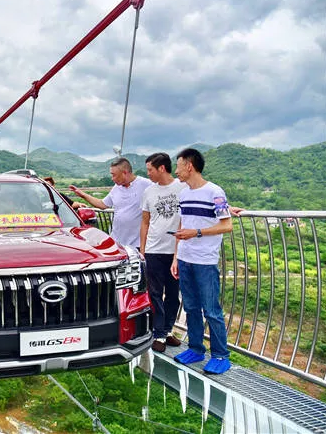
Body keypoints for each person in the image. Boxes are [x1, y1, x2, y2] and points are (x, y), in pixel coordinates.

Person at [171, 148, 233, 374]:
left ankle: (220, 355)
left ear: (189, 166)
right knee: (190, 307)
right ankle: (196, 349)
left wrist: (196, 233)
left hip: (205, 261)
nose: (176, 171)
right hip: (185, 259)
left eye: (178, 166)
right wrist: (176, 257)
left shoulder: (214, 192)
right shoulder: (184, 194)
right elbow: (182, 226)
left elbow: (227, 225)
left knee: (211, 309)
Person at [140, 153, 186, 352]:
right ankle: (158, 333)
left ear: (161, 168)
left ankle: (167, 330)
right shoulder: (149, 192)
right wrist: (143, 250)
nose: (148, 173)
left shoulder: (183, 188)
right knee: (155, 293)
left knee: (174, 294)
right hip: (154, 250)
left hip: (176, 251)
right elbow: (145, 222)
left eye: (150, 169)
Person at [70, 157, 152, 247]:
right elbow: (102, 204)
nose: (112, 178)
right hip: (117, 242)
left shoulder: (146, 185)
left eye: (114, 175)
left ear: (124, 173)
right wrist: (83, 195)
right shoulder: (116, 188)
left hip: (138, 243)